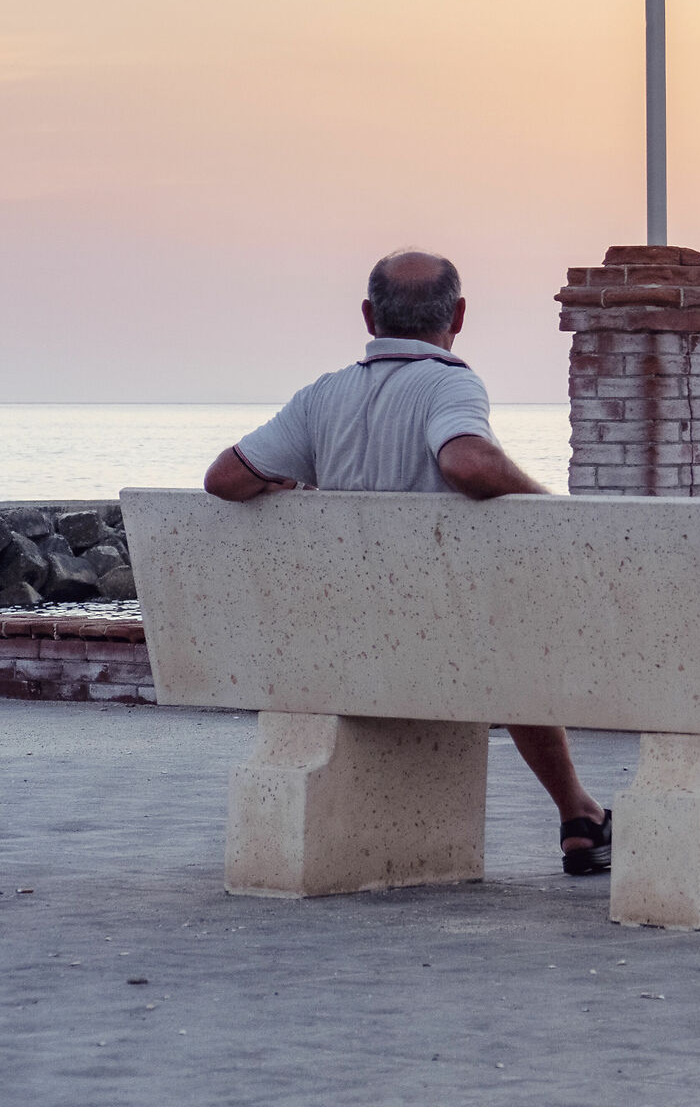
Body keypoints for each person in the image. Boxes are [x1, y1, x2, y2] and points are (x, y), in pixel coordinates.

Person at [202, 250, 615, 876]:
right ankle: (575, 811)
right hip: (445, 650)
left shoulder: (323, 396)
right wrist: (544, 506)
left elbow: (226, 477)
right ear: (460, 315)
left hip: (344, 646)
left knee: (498, 642)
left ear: (370, 317)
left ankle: (579, 808)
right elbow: (467, 463)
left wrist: (283, 487)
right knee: (512, 649)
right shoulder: (450, 382)